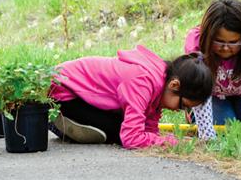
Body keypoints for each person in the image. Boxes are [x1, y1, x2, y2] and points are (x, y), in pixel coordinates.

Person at [48, 45, 213, 149]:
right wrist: (175, 142)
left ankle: (71, 123)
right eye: (183, 106)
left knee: (125, 126)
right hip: (64, 93)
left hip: (78, 95)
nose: (179, 111)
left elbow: (148, 130)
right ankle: (58, 122)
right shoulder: (143, 82)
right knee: (118, 131)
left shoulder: (160, 85)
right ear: (174, 85)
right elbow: (132, 138)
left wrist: (172, 140)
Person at [184, 0, 241, 140]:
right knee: (228, 126)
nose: (225, 48)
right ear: (208, 36)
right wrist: (206, 134)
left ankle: (235, 108)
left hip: (240, 94)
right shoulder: (196, 44)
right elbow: (199, 90)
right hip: (209, 96)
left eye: (233, 42)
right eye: (219, 41)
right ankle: (193, 115)